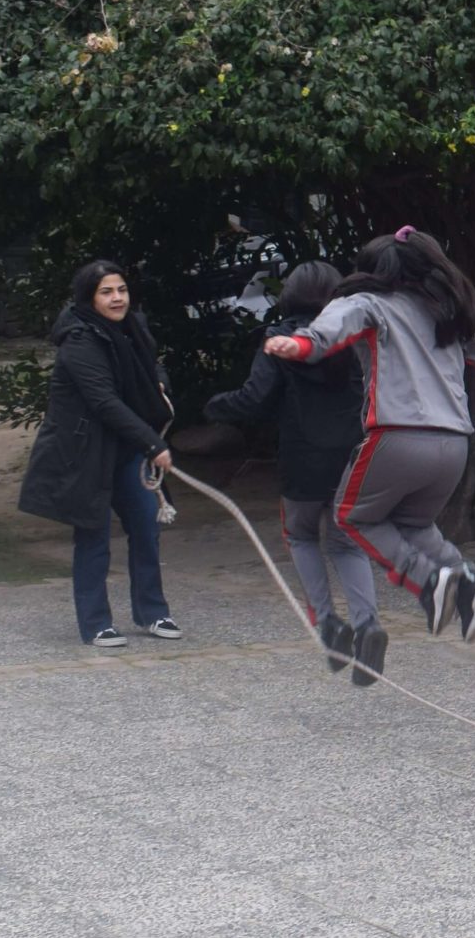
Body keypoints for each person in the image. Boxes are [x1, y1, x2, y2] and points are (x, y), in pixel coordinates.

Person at [263, 227, 475, 648]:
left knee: (350, 516)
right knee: (415, 524)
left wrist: (301, 344)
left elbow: (334, 323)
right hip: (455, 446)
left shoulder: (368, 303)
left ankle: (429, 581)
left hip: (396, 436)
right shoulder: (447, 315)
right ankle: (469, 583)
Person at [206, 261, 380, 683]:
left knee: (300, 536)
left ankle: (327, 622)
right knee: (347, 543)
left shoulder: (279, 338)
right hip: (351, 452)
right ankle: (368, 625)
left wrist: (213, 406)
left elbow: (255, 397)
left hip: (302, 454)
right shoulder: (352, 335)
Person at [19, 260, 184, 648]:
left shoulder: (133, 327)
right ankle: (96, 623)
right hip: (86, 452)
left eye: (121, 290)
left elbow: (151, 367)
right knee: (93, 536)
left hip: (127, 451)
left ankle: (152, 612)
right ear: (89, 298)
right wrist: (153, 444)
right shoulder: (78, 340)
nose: (117, 298)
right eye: (106, 292)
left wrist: (159, 384)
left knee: (146, 525)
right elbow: (104, 401)